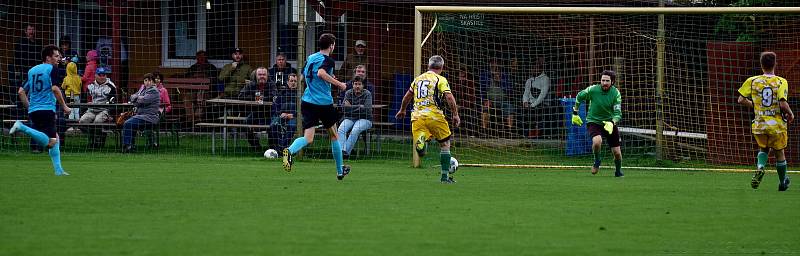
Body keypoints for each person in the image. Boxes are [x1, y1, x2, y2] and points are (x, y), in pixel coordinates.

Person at [282, 33, 350, 180]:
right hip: (323, 103)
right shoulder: (328, 60)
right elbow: (320, 73)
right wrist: (340, 84)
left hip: (307, 101)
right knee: (334, 136)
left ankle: (289, 151)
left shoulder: (311, 58)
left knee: (308, 137)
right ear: (331, 45)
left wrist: (325, 81)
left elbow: (303, 76)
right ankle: (339, 171)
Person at [395, 55, 461, 183]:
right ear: (441, 67)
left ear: (428, 66)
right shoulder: (440, 79)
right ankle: (444, 177)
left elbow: (407, 96)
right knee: (445, 144)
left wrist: (402, 110)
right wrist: (455, 114)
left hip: (417, 116)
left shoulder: (418, 79)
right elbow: (449, 97)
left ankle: (422, 140)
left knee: (422, 150)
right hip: (434, 115)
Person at [8, 45, 72, 176]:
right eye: (56, 56)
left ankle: (58, 170)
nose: (58, 58)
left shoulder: (32, 70)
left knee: (56, 138)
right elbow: (55, 89)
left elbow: (21, 92)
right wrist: (65, 106)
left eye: (59, 56)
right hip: (47, 109)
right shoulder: (52, 69)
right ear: (48, 58)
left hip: (34, 110)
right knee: (51, 142)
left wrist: (30, 107)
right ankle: (21, 126)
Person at [738, 52, 794, 191]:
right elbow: (782, 103)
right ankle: (782, 182)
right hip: (777, 126)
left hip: (760, 124)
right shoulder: (781, 81)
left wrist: (756, 106)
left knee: (763, 148)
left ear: (761, 64)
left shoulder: (752, 80)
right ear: (775, 64)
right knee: (779, 153)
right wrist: (791, 113)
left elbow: (741, 99)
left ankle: (760, 167)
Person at [571, 70, 623, 177]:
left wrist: (612, 123)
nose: (604, 83)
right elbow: (579, 96)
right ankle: (597, 161)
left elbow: (618, 113)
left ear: (612, 82)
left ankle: (618, 171)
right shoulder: (593, 90)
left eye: (607, 81)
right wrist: (575, 113)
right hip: (593, 121)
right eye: (602, 80)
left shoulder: (616, 93)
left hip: (609, 123)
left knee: (617, 153)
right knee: (597, 141)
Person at [237, 67, 277, 149]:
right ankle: (255, 145)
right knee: (245, 124)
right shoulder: (250, 84)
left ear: (267, 76)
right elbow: (240, 96)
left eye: (264, 74)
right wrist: (255, 98)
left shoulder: (271, 84)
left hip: (269, 113)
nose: (262, 76)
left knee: (274, 126)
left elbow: (274, 96)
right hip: (254, 112)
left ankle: (272, 148)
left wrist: (260, 99)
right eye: (259, 75)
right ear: (255, 76)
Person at [121, 73, 161, 153]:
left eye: (150, 80)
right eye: (145, 80)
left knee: (128, 123)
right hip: (140, 116)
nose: (147, 82)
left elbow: (144, 100)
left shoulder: (154, 90)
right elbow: (132, 97)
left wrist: (137, 98)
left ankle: (127, 145)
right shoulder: (143, 89)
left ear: (153, 82)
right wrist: (137, 98)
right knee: (130, 124)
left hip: (149, 117)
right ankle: (130, 146)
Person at [80, 66, 117, 148]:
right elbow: (85, 99)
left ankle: (98, 140)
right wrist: (87, 103)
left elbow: (113, 103)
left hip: (104, 110)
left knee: (97, 121)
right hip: (91, 110)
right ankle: (92, 137)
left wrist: (111, 114)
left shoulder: (111, 86)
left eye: (104, 75)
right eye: (100, 75)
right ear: (95, 75)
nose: (102, 76)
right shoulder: (90, 85)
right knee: (82, 121)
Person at [337, 75, 373, 159]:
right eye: (355, 84)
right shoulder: (348, 93)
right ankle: (343, 151)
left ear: (363, 85)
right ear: (352, 85)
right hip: (350, 118)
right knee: (341, 129)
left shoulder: (367, 94)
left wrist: (351, 107)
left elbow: (367, 110)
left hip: (365, 119)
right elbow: (344, 109)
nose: (357, 86)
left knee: (355, 129)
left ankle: (345, 153)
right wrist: (359, 107)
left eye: (359, 84)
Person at [479, 59, 514, 129]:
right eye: (493, 64)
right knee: (485, 108)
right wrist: (485, 100)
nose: (495, 67)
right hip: (490, 101)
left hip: (503, 101)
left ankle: (510, 131)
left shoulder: (505, 76)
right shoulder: (485, 75)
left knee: (510, 108)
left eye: (497, 64)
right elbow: (481, 90)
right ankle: (484, 130)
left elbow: (510, 90)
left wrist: (500, 81)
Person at [269, 73, 299, 152]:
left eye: (295, 81)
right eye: (291, 81)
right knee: (273, 126)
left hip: (295, 117)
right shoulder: (281, 93)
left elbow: (304, 108)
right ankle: (279, 148)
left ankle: (282, 149)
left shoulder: (300, 94)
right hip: (281, 116)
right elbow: (275, 106)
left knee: (292, 126)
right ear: (287, 82)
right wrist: (280, 114)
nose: (293, 83)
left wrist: (293, 114)